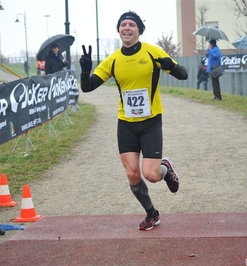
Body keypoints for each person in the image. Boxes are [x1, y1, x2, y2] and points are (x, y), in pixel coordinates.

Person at [79, 11, 188, 231]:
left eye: (131, 25)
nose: (127, 28)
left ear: (139, 30)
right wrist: (84, 71)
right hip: (126, 123)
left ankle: (165, 168)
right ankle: (151, 213)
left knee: (151, 175)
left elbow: (183, 74)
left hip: (150, 122)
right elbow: (88, 86)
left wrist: (171, 65)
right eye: (123, 25)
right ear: (118, 30)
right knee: (132, 173)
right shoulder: (113, 60)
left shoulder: (152, 51)